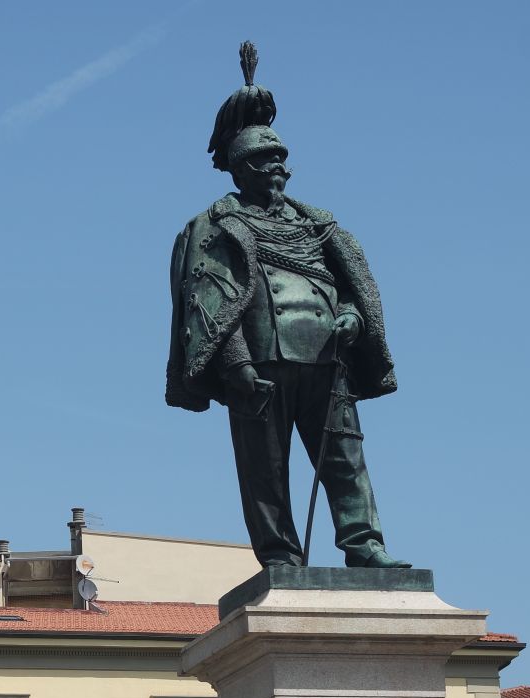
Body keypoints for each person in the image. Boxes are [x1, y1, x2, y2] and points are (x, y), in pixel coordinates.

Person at [166, 44, 409, 569]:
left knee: (345, 458)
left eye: (282, 160)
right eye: (266, 162)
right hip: (259, 361)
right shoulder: (212, 228)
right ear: (240, 169)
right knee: (265, 469)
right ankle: (279, 554)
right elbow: (205, 301)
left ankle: (364, 544)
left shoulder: (317, 224)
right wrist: (236, 366)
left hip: (327, 358)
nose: (280, 170)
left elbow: (346, 284)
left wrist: (353, 314)